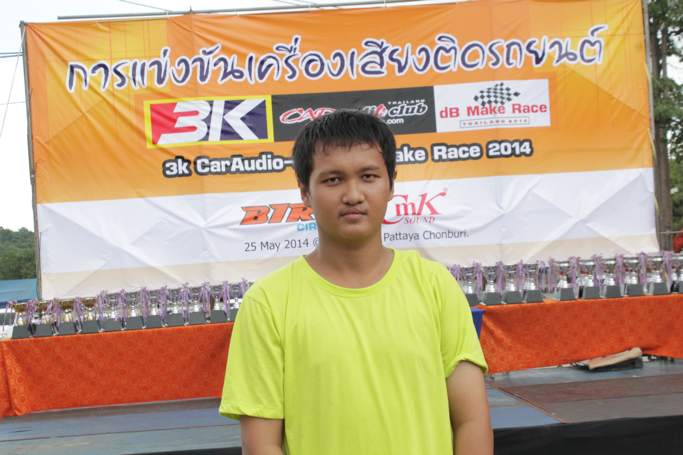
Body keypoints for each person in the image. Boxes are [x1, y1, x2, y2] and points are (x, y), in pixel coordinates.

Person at [220, 110, 492, 455]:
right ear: (305, 192)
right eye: (333, 180)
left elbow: (471, 421)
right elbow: (263, 445)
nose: (353, 194)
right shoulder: (268, 303)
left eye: (368, 176)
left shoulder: (435, 286)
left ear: (391, 184)